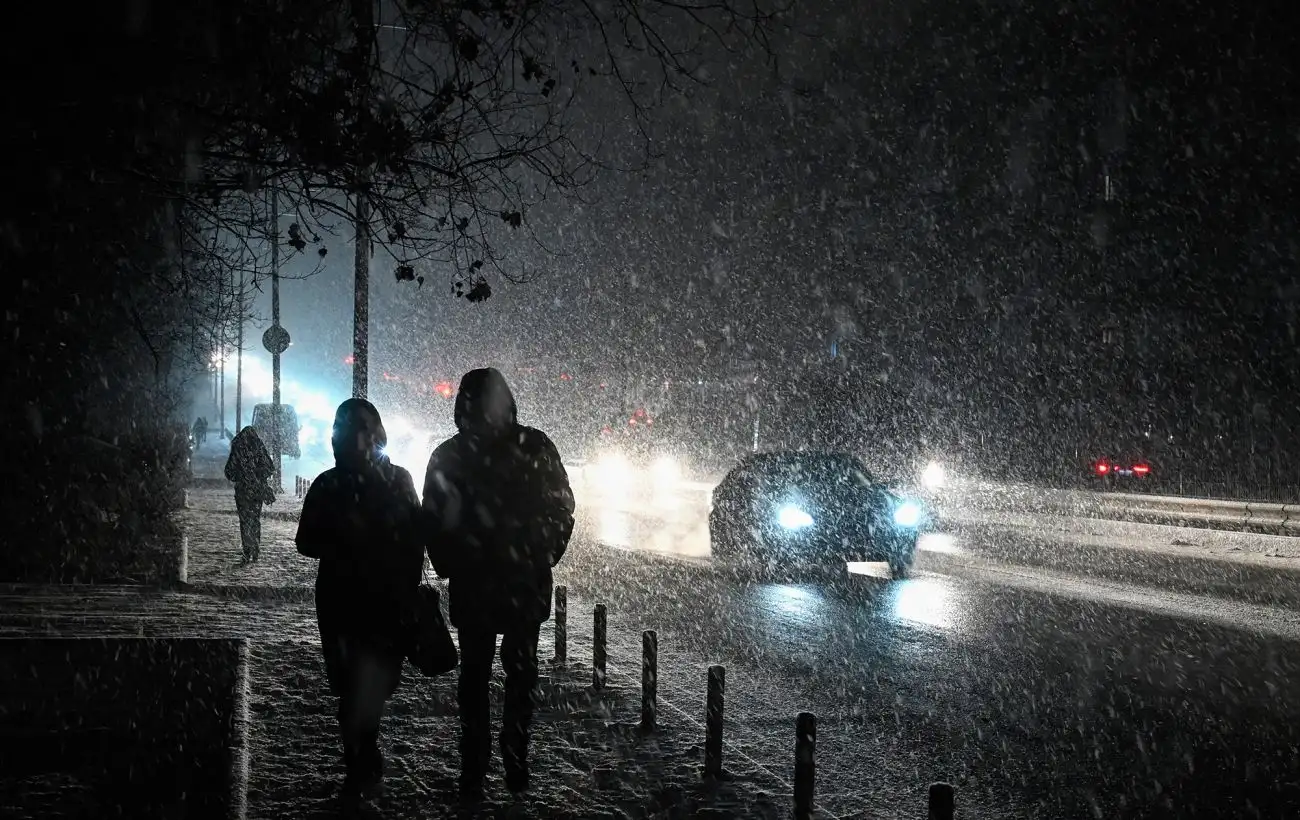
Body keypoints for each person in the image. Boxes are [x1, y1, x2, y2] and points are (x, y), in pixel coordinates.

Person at [423, 368, 575, 798]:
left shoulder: (450, 455)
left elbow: (432, 518)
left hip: (478, 580)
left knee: (476, 675)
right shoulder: (535, 446)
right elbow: (562, 508)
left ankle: (477, 760)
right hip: (522, 580)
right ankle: (514, 752)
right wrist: (539, 552)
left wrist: (452, 559)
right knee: (519, 672)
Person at [295, 398, 425, 800]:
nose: (364, 440)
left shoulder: (333, 484)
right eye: (359, 431)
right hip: (364, 600)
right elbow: (416, 535)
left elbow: (307, 541)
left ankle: (360, 753)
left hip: (355, 599)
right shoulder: (391, 480)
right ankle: (362, 754)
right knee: (361, 682)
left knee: (363, 682)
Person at [224, 426, 274, 562]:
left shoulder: (238, 448)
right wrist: (258, 475)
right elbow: (270, 467)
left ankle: (247, 549)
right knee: (255, 519)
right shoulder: (258, 446)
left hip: (242, 491)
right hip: (257, 490)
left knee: (244, 520)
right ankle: (255, 547)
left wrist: (242, 476)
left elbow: (229, 471)